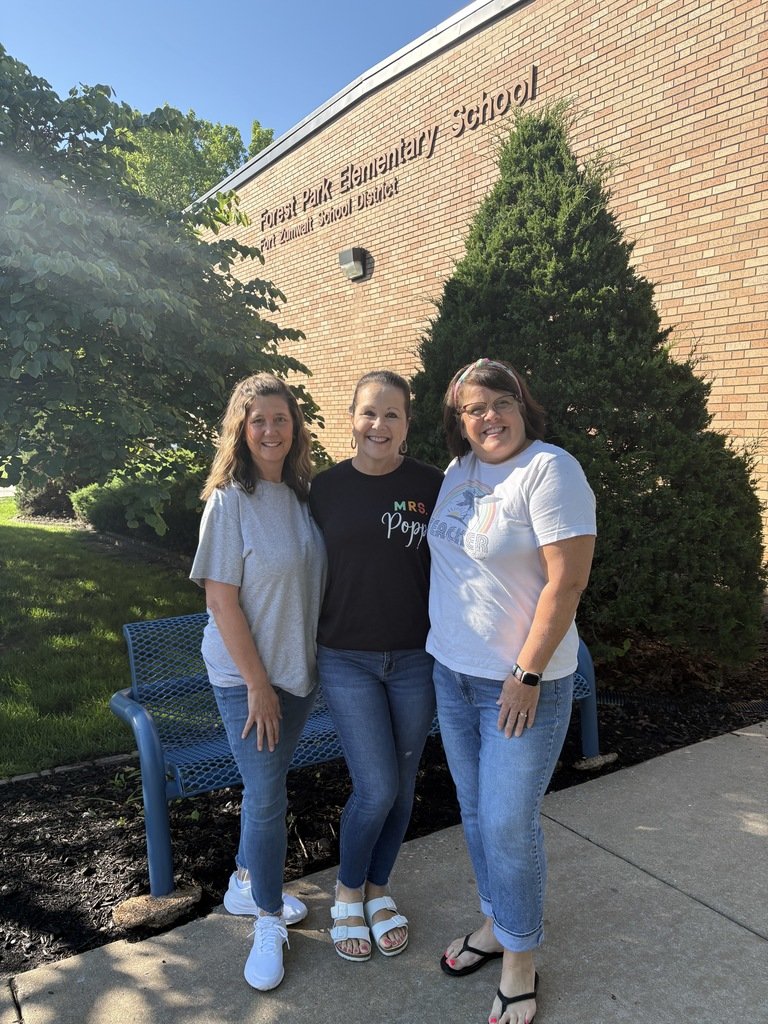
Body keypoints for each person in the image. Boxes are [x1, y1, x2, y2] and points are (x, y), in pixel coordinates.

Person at [426, 358, 596, 1024]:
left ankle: (521, 956)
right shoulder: (458, 472)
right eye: (472, 408)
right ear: (458, 422)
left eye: (500, 402)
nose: (487, 416)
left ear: (524, 407)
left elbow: (566, 583)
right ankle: (497, 924)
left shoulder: (552, 470)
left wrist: (525, 674)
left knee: (506, 822)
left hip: (521, 684)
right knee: (474, 813)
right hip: (452, 672)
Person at [189, 373, 326, 992]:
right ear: (240, 431)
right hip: (248, 680)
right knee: (269, 795)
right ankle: (267, 918)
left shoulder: (299, 495)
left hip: (296, 672)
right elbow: (222, 602)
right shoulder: (230, 500)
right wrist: (258, 685)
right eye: (258, 421)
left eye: (280, 419)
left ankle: (245, 881)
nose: (270, 430)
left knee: (266, 786)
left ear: (294, 427)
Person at [309, 370, 444, 962]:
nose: (379, 425)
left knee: (404, 786)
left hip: (416, 658)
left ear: (408, 424)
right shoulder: (323, 489)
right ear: (351, 418)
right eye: (369, 413)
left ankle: (379, 889)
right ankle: (346, 891)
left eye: (392, 415)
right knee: (377, 785)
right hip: (346, 658)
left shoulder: (432, 485)